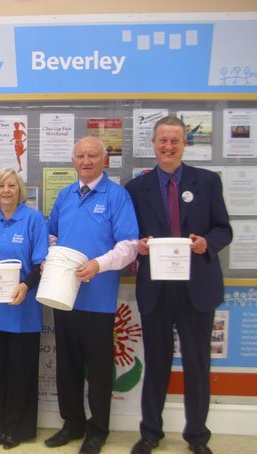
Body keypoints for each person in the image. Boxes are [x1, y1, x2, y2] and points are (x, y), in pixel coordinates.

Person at [125, 116, 233, 454]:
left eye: (175, 140)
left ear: (185, 143)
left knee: (197, 363)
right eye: (162, 141)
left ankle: (197, 436)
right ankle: (150, 433)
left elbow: (224, 229)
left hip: (196, 287)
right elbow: (128, 236)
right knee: (156, 362)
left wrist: (206, 244)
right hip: (157, 288)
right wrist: (138, 247)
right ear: (153, 144)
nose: (168, 146)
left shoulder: (207, 182)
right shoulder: (135, 188)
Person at [45, 137, 139, 454]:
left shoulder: (117, 196)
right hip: (64, 294)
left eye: (93, 155)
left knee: (98, 367)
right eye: (81, 156)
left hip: (98, 297)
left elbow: (128, 245)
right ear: (73, 161)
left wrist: (99, 264)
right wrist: (54, 257)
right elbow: (53, 234)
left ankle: (98, 429)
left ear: (104, 160)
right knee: (67, 364)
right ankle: (72, 423)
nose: (86, 161)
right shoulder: (65, 195)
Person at [0, 168, 48, 449]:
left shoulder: (33, 220)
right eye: (1, 186)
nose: (6, 190)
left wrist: (25, 287)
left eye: (12, 185)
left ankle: (19, 428)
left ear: (20, 190)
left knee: (22, 371)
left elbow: (41, 264)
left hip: (23, 309)